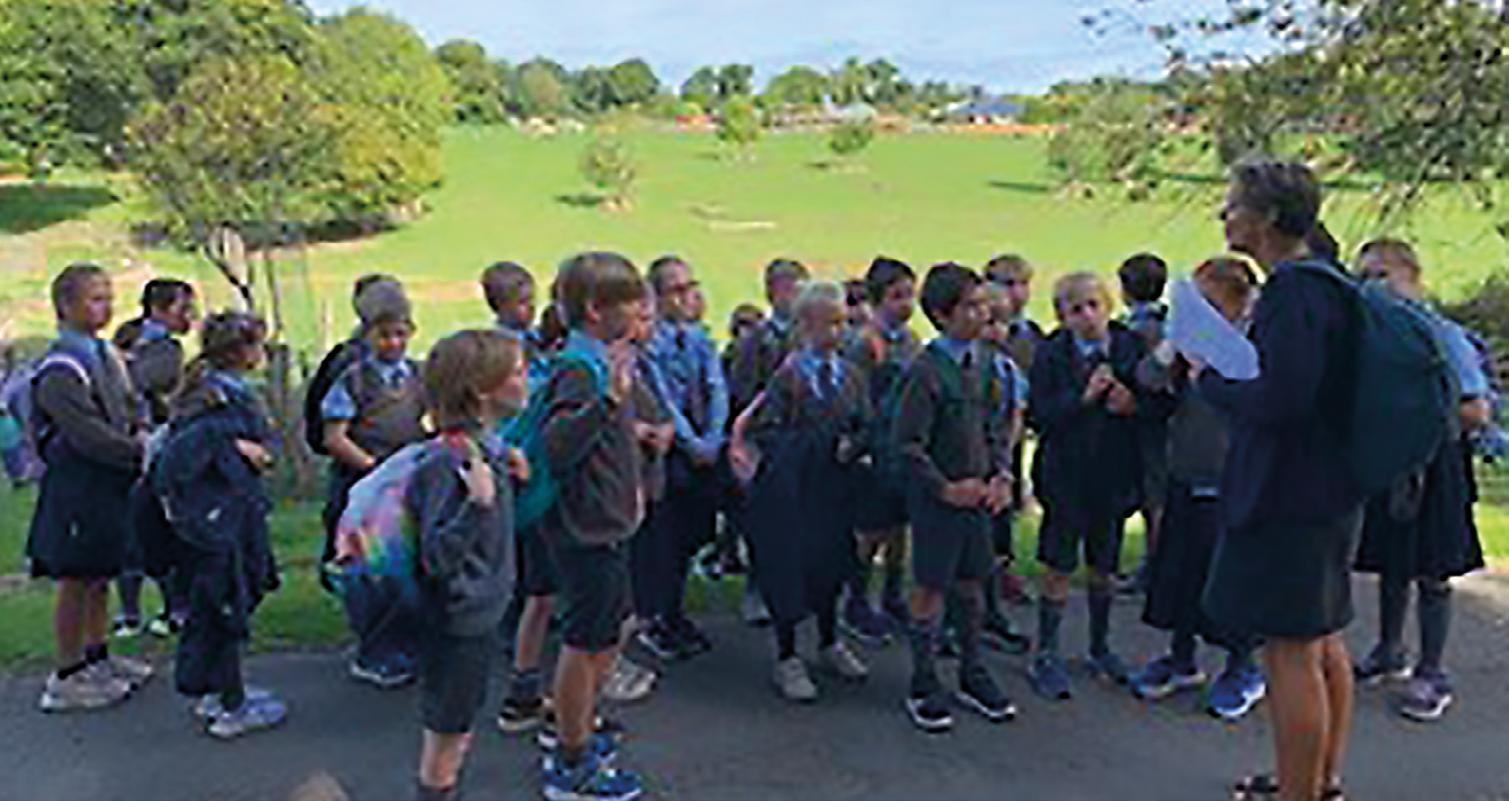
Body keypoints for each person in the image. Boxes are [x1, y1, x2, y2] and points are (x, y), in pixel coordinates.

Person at [1200, 161, 1363, 801]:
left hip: (1288, 493)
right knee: (1321, 641)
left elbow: (1282, 400)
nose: (1224, 215)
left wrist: (1212, 381)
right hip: (1326, 488)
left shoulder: (1293, 292)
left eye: (1234, 204)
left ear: (1267, 218)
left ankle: (1300, 793)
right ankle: (1320, 781)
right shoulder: (1327, 282)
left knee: (1289, 653)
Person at [1351, 239, 1490, 723]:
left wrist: (1413, 412)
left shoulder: (1441, 335)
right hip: (1393, 459)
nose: (1371, 287)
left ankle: (1432, 671)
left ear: (1411, 277)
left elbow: (1475, 411)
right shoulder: (1375, 339)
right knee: (1392, 562)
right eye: (1363, 277)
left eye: (1380, 275)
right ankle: (1389, 649)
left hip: (1436, 461)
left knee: (1433, 568)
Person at [1129, 257, 1267, 721]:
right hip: (1187, 470)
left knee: (1231, 579)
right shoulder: (1190, 342)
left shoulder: (1253, 346)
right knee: (1182, 574)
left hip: (1234, 479)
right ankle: (1181, 658)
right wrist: (1170, 349)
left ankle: (1242, 667)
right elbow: (1147, 379)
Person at [538, 252, 648, 801]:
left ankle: (577, 726)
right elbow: (559, 445)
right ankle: (571, 759)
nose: (638, 309)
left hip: (608, 524)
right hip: (587, 530)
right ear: (594, 309)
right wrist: (607, 402)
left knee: (607, 634)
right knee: (583, 644)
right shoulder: (579, 370)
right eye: (628, 300)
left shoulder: (600, 359)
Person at [406, 330, 526, 801]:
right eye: (516, 372)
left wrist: (506, 466)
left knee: (460, 723)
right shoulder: (449, 461)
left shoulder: (483, 449)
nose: (526, 380)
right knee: (448, 730)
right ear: (481, 390)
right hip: (458, 619)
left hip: (479, 612)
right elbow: (436, 556)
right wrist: (477, 506)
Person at [896, 262, 1016, 733]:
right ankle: (923, 681)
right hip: (938, 500)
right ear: (942, 315)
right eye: (970, 306)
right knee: (930, 587)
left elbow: (996, 427)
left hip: (979, 497)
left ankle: (971, 669)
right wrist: (944, 487)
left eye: (983, 304)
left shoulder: (986, 364)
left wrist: (1002, 475)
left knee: (971, 584)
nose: (982, 313)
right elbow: (908, 444)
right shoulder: (926, 372)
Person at [739, 281, 872, 702]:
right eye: (828, 324)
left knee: (832, 566)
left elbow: (865, 422)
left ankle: (830, 641)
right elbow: (767, 431)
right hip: (796, 491)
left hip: (836, 489)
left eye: (842, 322)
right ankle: (787, 654)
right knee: (791, 569)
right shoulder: (789, 377)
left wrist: (855, 444)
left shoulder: (850, 375)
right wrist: (817, 446)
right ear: (805, 326)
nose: (838, 331)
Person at [154, 311, 285, 739]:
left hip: (204, 521)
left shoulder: (200, 393)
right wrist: (251, 454)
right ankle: (233, 703)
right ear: (240, 351)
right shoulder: (226, 404)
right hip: (224, 519)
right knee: (228, 603)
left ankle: (215, 690)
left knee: (214, 604)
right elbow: (236, 457)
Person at [1027, 272, 1157, 700]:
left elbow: (1158, 402)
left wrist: (1134, 405)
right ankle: (1046, 651)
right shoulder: (1052, 353)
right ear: (1062, 317)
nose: (1087, 317)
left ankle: (1100, 645)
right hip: (1065, 477)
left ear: (1108, 306)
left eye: (1093, 306)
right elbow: (1038, 414)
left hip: (1112, 476)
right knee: (1059, 564)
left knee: (1104, 566)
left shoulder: (1129, 346)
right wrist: (1081, 399)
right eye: (1075, 310)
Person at [28, 263, 152, 713]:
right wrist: (139, 452)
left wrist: (142, 431)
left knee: (102, 570)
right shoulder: (61, 368)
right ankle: (66, 673)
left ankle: (97, 655)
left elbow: (130, 405)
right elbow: (86, 434)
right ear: (66, 306)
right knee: (75, 576)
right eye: (95, 299)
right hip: (77, 484)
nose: (106, 307)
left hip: (109, 482)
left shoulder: (106, 353)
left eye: (108, 298)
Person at [321, 280, 428, 688]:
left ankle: (408, 644)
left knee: (407, 569)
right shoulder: (354, 379)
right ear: (367, 335)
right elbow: (335, 437)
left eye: (401, 334)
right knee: (372, 572)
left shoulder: (416, 375)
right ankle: (375, 652)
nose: (394, 343)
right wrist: (375, 468)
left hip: (406, 485)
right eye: (384, 336)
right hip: (366, 487)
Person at [637, 256, 729, 661]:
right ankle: (657, 617)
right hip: (672, 453)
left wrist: (714, 437)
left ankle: (675, 611)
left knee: (694, 534)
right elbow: (662, 399)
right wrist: (692, 442)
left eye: (691, 287)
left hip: (704, 450)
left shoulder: (698, 338)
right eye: (676, 290)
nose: (687, 296)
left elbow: (716, 385)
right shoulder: (650, 346)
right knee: (666, 539)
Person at [112, 278, 197, 639]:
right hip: (135, 441)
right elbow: (139, 382)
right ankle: (138, 612)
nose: (190, 317)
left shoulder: (152, 347)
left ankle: (166, 608)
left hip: (150, 439)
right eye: (183, 308)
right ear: (160, 309)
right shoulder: (157, 346)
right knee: (140, 524)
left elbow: (132, 381)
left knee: (152, 523)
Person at [841, 256, 920, 644]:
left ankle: (893, 595)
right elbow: (855, 397)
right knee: (871, 530)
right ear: (876, 301)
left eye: (909, 295)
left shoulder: (911, 341)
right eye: (896, 296)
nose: (906, 304)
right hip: (872, 447)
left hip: (900, 446)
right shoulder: (863, 344)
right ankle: (856, 600)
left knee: (899, 528)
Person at [727, 258, 809, 626]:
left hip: (800, 440)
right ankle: (756, 590)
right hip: (766, 441)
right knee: (764, 523)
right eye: (793, 290)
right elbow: (742, 390)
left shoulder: (807, 338)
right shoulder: (757, 340)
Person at [1117, 253, 1171, 595]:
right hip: (1161, 419)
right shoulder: (1166, 322)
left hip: (1144, 420)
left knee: (1155, 497)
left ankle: (1157, 566)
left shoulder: (1134, 330)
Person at [983, 254, 1044, 534]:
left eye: (1023, 284)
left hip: (1018, 416)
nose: (1017, 292)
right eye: (1009, 284)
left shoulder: (1031, 333)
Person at [481, 261, 551, 393]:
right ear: (499, 305)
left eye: (532, 299)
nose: (531, 306)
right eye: (522, 302)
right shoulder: (499, 348)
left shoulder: (540, 336)